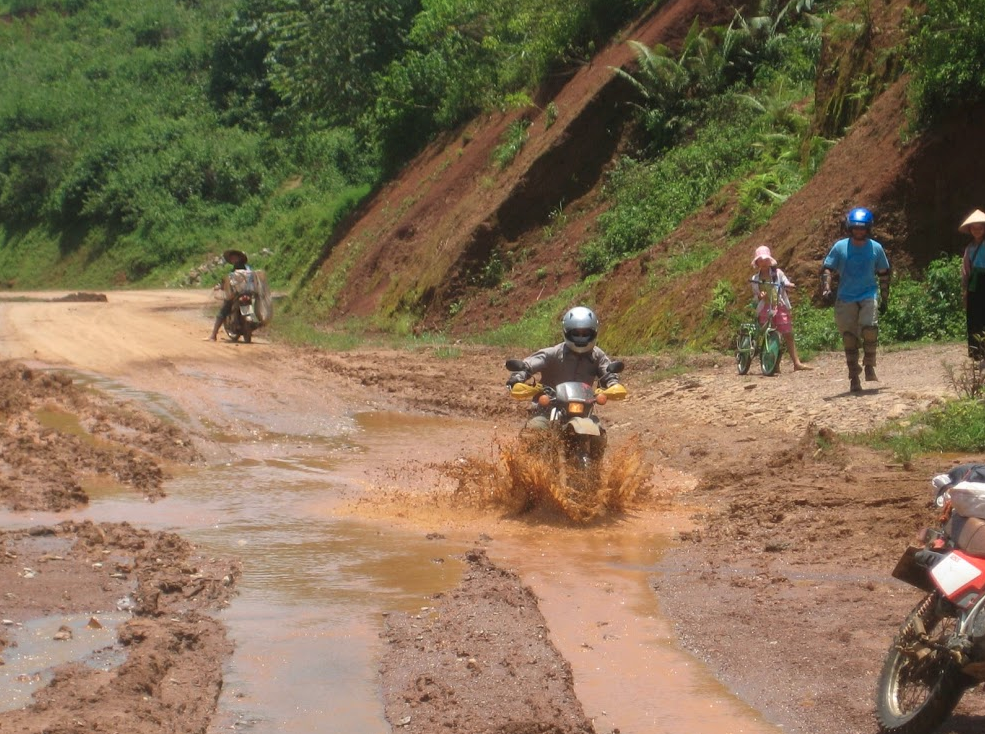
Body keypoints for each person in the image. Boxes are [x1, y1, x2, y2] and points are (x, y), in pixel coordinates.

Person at [506, 306, 621, 434]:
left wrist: (614, 384)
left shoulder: (598, 356)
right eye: (576, 334)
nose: (581, 338)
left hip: (583, 411)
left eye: (585, 334)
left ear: (594, 333)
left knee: (599, 432)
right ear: (567, 332)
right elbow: (528, 365)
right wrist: (517, 377)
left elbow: (608, 373)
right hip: (548, 407)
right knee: (534, 431)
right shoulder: (552, 353)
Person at [820, 207, 891, 393]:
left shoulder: (876, 248)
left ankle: (869, 364)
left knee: (870, 328)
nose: (859, 231)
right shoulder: (840, 247)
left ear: (868, 228)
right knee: (849, 338)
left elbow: (884, 273)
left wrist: (884, 298)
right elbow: (827, 269)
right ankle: (854, 377)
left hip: (868, 294)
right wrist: (826, 288)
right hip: (846, 297)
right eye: (856, 228)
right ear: (850, 228)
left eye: (863, 228)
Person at [750, 245, 811, 371]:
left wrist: (789, 285)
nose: (764, 262)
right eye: (761, 260)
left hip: (779, 306)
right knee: (770, 335)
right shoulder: (755, 279)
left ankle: (796, 362)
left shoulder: (778, 273)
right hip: (765, 308)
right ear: (757, 263)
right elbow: (756, 295)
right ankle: (774, 364)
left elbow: (785, 282)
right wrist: (760, 296)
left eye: (766, 260)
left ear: (770, 261)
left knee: (787, 334)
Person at [959, 209, 985, 362]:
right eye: (974, 228)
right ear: (970, 230)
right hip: (974, 284)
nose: (977, 231)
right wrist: (965, 290)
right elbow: (965, 270)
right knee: (974, 317)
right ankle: (976, 352)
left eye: (980, 228)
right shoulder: (969, 249)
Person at [208, 249, 252, 341]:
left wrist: (221, 286)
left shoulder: (236, 269)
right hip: (249, 293)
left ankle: (213, 335)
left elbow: (229, 282)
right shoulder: (248, 269)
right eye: (232, 258)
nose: (233, 259)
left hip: (236, 295)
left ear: (239, 258)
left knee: (223, 311)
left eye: (234, 257)